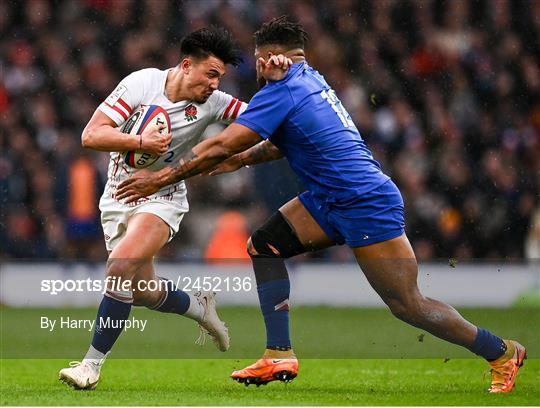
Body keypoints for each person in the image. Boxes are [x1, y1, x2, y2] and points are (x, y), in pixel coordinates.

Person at [116, 17, 526, 393]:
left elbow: (223, 142)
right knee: (265, 245)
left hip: (364, 202)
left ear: (266, 57)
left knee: (408, 305)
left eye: (257, 61)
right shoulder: (309, 78)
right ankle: (279, 353)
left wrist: (162, 177)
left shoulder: (284, 90)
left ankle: (503, 352)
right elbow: (281, 143)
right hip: (329, 198)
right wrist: (241, 161)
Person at [59, 26, 292, 390]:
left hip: (163, 198)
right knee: (139, 290)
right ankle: (198, 307)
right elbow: (91, 135)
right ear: (186, 65)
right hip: (119, 194)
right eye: (210, 74)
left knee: (120, 266)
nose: (215, 84)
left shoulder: (216, 104)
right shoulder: (142, 84)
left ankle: (90, 366)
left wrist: (276, 83)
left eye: (220, 77)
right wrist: (140, 140)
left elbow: (269, 125)